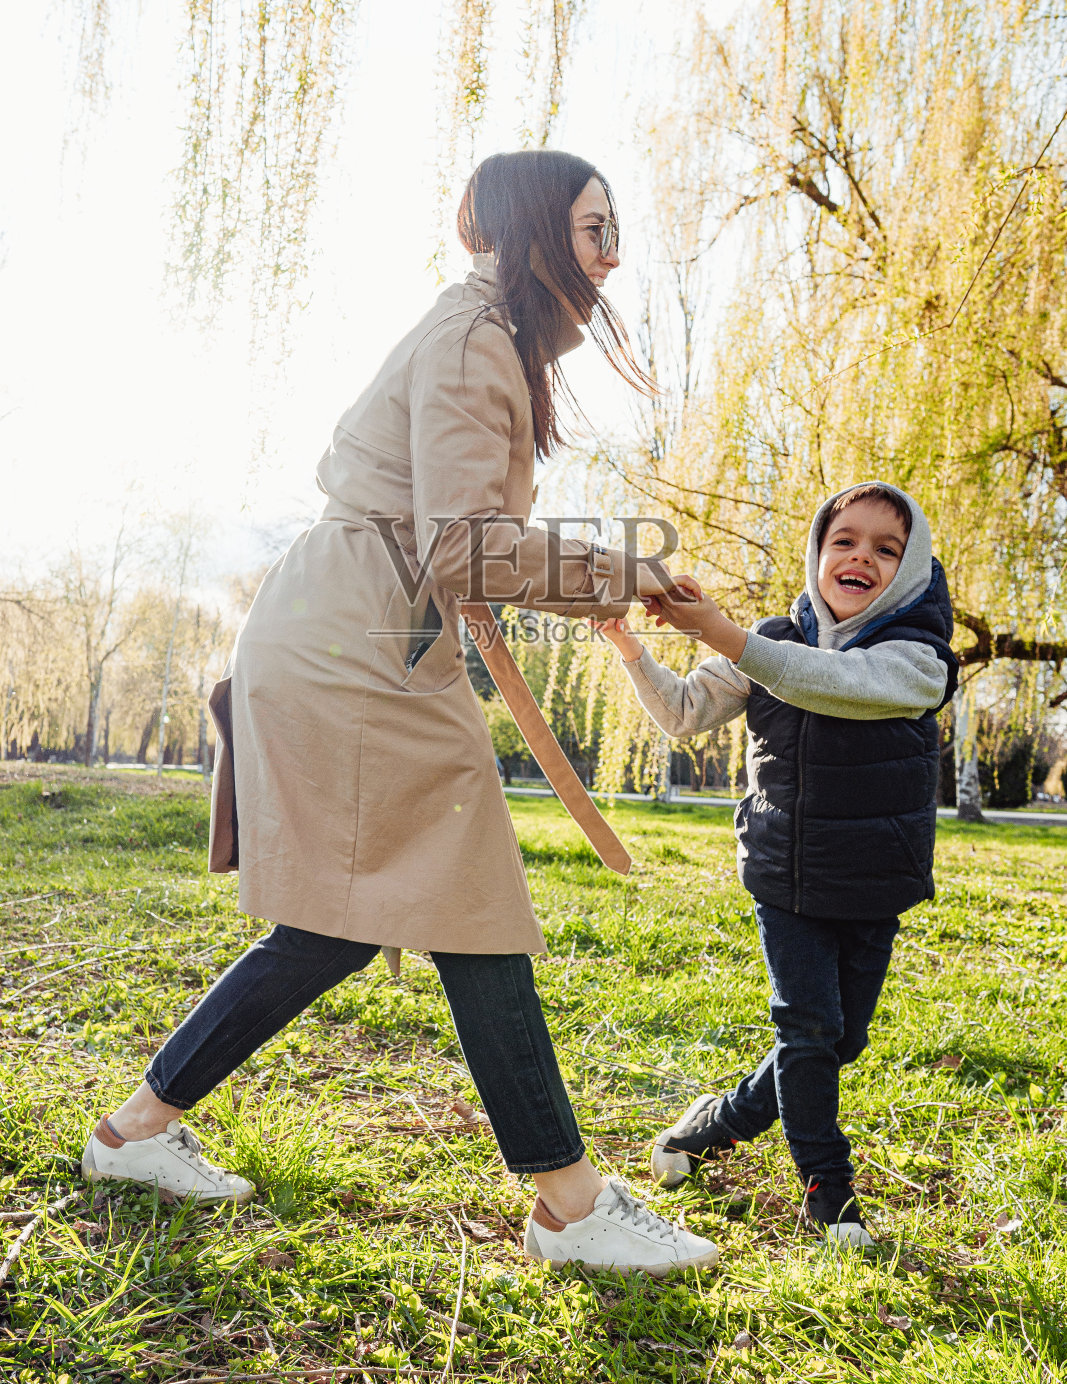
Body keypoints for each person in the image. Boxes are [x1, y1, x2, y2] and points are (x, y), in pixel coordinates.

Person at [80, 149, 719, 1277]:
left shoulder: (480, 333)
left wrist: (603, 578)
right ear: (531, 230)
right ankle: (570, 1205)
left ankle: (132, 1130)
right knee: (469, 896)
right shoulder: (477, 340)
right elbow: (464, 543)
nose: (611, 251)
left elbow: (454, 535)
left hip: (350, 625)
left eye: (612, 228)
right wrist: (615, 573)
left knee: (341, 921)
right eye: (590, 227)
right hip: (354, 641)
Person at [601, 481, 958, 1246]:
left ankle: (710, 1129)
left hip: (871, 878)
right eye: (844, 540)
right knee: (807, 1032)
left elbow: (832, 684)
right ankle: (827, 1192)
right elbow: (683, 713)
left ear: (908, 567)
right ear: (817, 553)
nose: (860, 555)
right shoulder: (771, 636)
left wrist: (727, 636)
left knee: (840, 1040)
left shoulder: (918, 658)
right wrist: (631, 644)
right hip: (785, 875)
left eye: (884, 548)